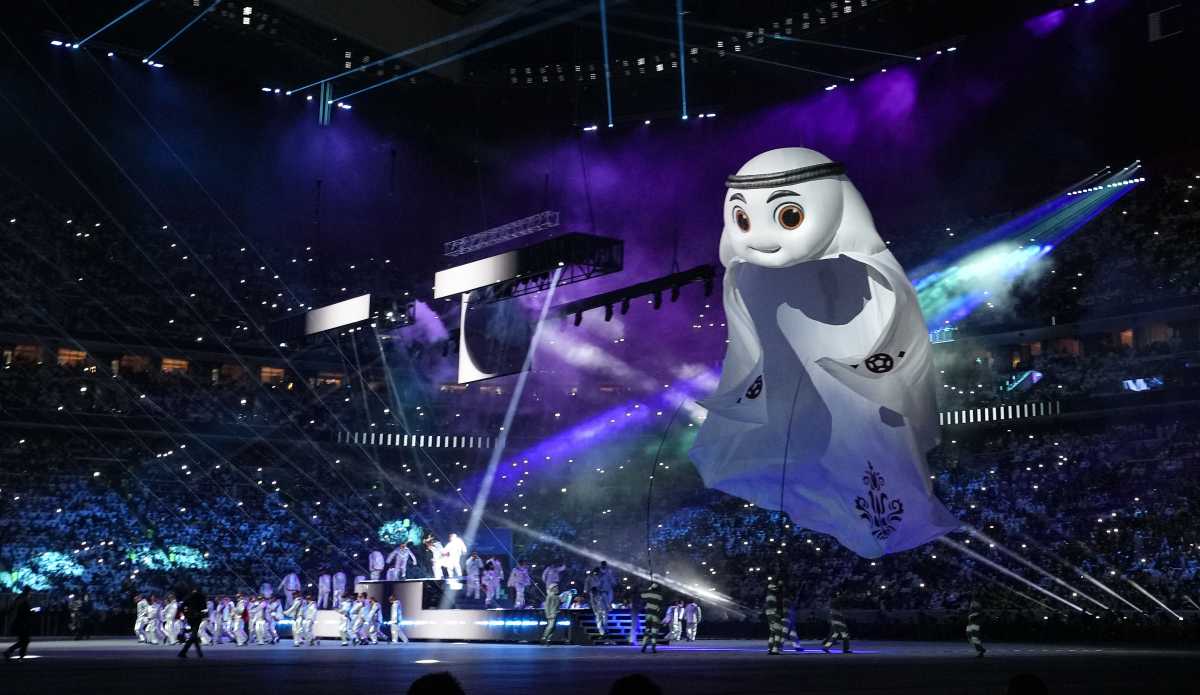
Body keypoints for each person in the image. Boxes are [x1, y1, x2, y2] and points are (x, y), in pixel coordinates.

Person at [3, 587, 36, 660]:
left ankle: (15, 653)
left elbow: (12, 609)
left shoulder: (19, 599)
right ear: (28, 592)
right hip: (22, 623)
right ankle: (17, 654)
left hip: (19, 622)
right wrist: (32, 612)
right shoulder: (23, 600)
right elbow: (24, 612)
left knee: (23, 640)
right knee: (25, 640)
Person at [177, 588, 208, 659]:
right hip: (197, 618)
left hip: (190, 618)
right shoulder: (201, 597)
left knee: (194, 635)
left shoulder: (188, 597)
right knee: (194, 635)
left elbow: (181, 607)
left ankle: (198, 653)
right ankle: (184, 652)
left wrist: (186, 614)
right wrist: (203, 615)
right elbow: (204, 608)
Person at [639, 581, 663, 653]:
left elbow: (641, 595)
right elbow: (660, 603)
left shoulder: (648, 593)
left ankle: (644, 646)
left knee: (647, 630)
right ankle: (653, 647)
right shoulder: (659, 595)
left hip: (648, 614)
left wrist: (648, 589)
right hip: (655, 615)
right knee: (654, 632)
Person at [765, 578, 785, 655]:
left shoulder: (769, 594)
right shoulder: (773, 594)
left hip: (769, 613)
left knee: (773, 631)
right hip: (774, 612)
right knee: (778, 631)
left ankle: (770, 648)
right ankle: (775, 649)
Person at [587, 570, 609, 637]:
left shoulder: (601, 593)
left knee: (605, 620)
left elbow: (605, 599)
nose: (596, 575)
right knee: (599, 621)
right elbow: (592, 603)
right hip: (597, 609)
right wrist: (595, 610)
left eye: (597, 574)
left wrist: (608, 606)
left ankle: (605, 631)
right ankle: (602, 633)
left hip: (603, 609)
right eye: (595, 574)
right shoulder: (591, 579)